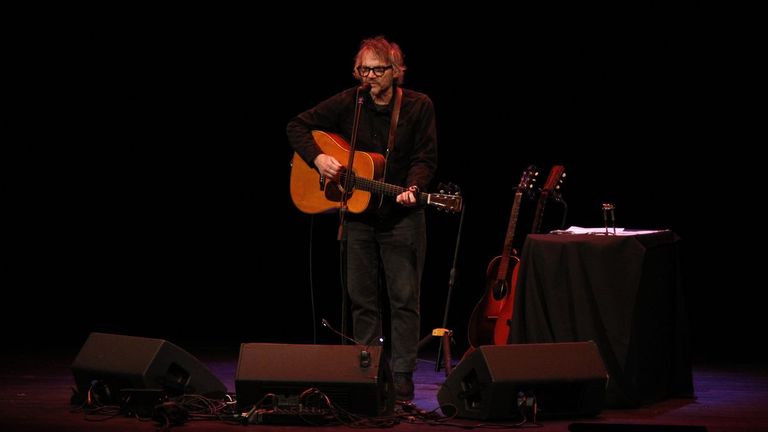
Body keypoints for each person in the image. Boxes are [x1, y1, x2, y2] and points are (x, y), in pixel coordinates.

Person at [286, 36, 438, 402]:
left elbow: (425, 158)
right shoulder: (351, 101)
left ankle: (402, 376)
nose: (368, 77)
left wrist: (414, 187)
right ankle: (369, 372)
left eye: (377, 69)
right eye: (363, 69)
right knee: (361, 299)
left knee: (403, 298)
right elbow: (296, 126)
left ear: (396, 71)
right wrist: (318, 160)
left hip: (401, 216)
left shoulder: (418, 106)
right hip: (357, 218)